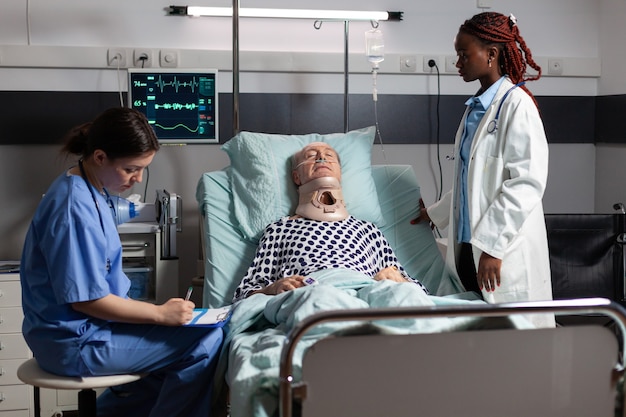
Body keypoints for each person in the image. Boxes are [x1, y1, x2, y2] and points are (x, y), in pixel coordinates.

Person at [20, 107, 224, 417]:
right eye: (131, 169)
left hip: (92, 330)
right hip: (73, 341)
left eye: (143, 169)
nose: (137, 178)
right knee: (203, 344)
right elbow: (87, 301)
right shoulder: (74, 208)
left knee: (195, 337)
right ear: (100, 157)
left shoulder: (92, 190)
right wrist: (159, 314)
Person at [414, 12, 554, 327]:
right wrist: (434, 214)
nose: (458, 62)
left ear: (491, 54)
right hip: (468, 250)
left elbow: (525, 183)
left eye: (465, 54)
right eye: (457, 55)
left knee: (515, 346)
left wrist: (492, 248)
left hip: (500, 253)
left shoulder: (517, 105)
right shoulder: (476, 109)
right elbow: (470, 183)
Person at [233, 141, 429, 301]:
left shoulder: (368, 229)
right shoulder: (280, 229)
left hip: (368, 290)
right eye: (311, 155)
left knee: (406, 295)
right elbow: (245, 292)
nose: (321, 157)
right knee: (321, 297)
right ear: (296, 177)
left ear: (340, 174)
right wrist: (273, 288)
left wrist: (399, 281)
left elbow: (415, 288)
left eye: (329, 156)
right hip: (313, 288)